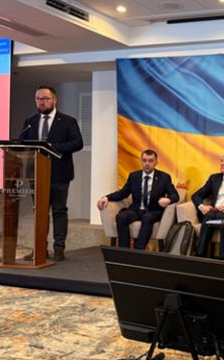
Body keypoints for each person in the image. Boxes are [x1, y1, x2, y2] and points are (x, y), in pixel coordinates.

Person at [21, 85, 83, 261]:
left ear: (54, 100)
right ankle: (40, 248)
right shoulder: (30, 122)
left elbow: (77, 143)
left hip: (59, 174)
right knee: (39, 212)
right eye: (38, 99)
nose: (41, 102)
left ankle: (59, 248)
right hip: (36, 174)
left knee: (59, 211)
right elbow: (22, 143)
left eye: (45, 98)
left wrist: (53, 147)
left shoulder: (68, 121)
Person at [97, 149, 179, 250]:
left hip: (153, 211)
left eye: (150, 161)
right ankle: (124, 250)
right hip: (136, 209)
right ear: (141, 161)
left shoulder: (164, 177)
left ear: (156, 163)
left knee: (147, 218)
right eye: (144, 160)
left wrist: (168, 200)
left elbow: (175, 195)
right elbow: (123, 193)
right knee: (121, 217)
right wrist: (107, 197)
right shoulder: (134, 176)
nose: (147, 164)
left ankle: (138, 250)